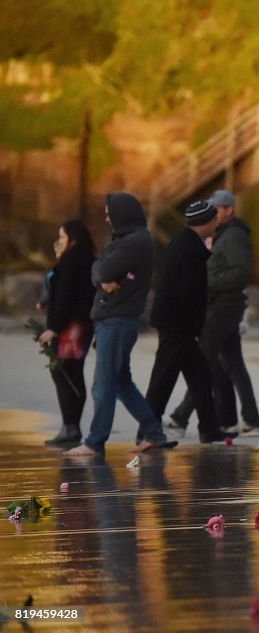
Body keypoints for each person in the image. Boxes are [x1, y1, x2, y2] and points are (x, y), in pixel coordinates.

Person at [65, 193, 174, 457]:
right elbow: (100, 271)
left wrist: (101, 273)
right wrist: (101, 274)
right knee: (122, 382)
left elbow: (100, 270)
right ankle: (154, 432)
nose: (106, 218)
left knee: (103, 384)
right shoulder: (128, 240)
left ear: (122, 214)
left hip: (116, 320)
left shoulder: (134, 241)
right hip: (115, 319)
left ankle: (95, 442)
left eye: (109, 213)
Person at [169, 189, 259, 436]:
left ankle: (180, 417)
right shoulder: (222, 234)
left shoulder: (233, 235)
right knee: (233, 364)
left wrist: (208, 282)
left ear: (229, 210)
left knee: (202, 359)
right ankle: (250, 420)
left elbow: (241, 272)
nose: (212, 213)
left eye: (216, 209)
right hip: (221, 304)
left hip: (226, 305)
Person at [144, 201, 230, 444]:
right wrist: (194, 325)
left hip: (177, 322)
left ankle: (210, 428)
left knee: (200, 374)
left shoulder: (185, 242)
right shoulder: (190, 248)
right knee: (164, 376)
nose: (216, 223)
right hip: (177, 324)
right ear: (205, 222)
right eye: (214, 219)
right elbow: (188, 293)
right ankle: (148, 432)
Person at [38, 220, 97, 446]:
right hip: (83, 324)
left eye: (62, 237)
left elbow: (65, 296)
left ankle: (70, 427)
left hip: (71, 326)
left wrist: (53, 327)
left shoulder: (71, 261)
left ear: (72, 238)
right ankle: (72, 426)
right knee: (74, 372)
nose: (59, 241)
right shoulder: (88, 258)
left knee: (63, 372)